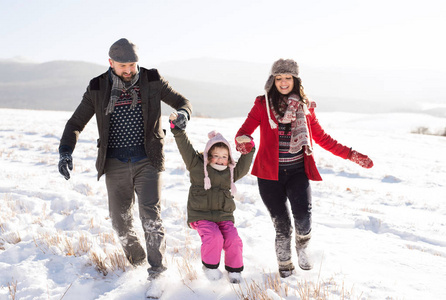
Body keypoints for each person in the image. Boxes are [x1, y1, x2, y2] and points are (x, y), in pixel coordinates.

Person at [58, 38, 192, 280]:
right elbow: (76, 123)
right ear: (111, 63)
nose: (129, 70)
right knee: (120, 223)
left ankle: (157, 272)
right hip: (115, 163)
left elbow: (183, 102)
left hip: (147, 160)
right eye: (123, 66)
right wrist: (65, 150)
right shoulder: (97, 87)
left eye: (132, 64)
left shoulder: (151, 80)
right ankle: (138, 262)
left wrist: (183, 114)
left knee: (150, 217)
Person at [235, 58, 373, 278]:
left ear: (295, 79)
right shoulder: (263, 105)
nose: (283, 82)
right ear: (273, 80)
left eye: (287, 77)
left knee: (303, 219)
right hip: (269, 176)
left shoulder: (305, 108)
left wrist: (350, 154)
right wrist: (244, 142)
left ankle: (303, 246)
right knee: (282, 226)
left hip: (297, 173)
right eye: (278, 78)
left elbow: (322, 138)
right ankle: (285, 268)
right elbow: (244, 132)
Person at [169, 112, 255, 283]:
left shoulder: (231, 172)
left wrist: (249, 149)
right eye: (216, 155)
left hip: (224, 216)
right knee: (214, 237)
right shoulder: (196, 166)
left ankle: (234, 271)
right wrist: (177, 130)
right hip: (201, 215)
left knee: (233, 239)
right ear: (208, 155)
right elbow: (185, 148)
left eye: (224, 156)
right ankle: (210, 267)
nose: (220, 160)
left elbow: (244, 167)